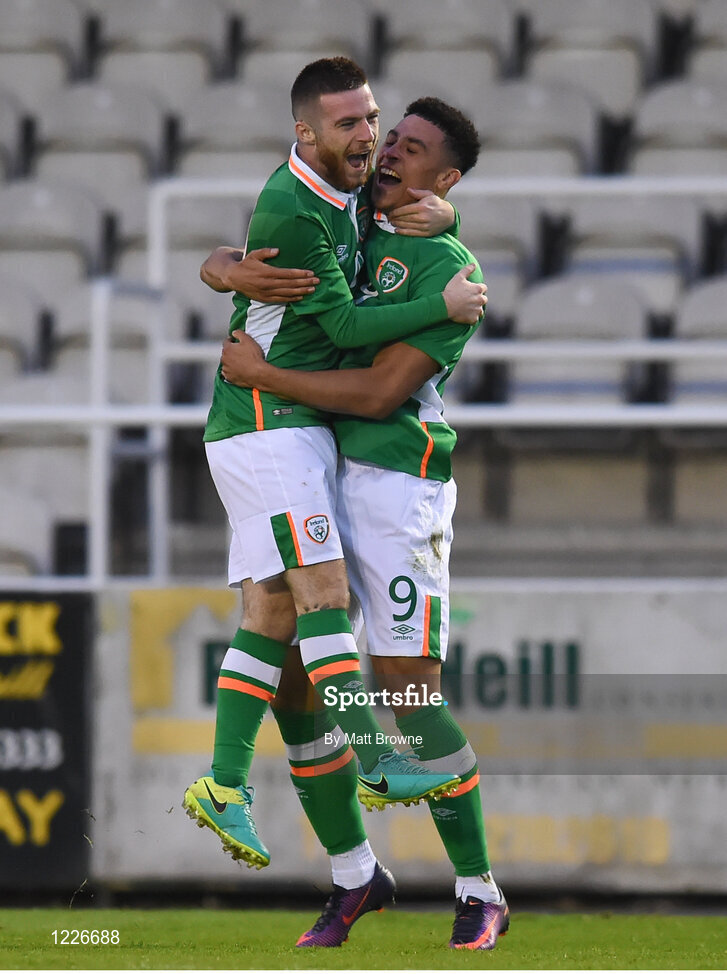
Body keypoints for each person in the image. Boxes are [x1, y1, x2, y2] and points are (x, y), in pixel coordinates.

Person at [182, 56, 485, 899]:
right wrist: (444, 303)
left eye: (374, 121)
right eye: (351, 124)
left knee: (274, 607)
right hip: (264, 422)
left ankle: (228, 783)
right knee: (317, 592)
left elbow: (386, 209)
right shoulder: (297, 201)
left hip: (280, 427)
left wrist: (221, 264)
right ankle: (374, 758)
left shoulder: (343, 193)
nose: (371, 139)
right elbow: (347, 323)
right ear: (304, 132)